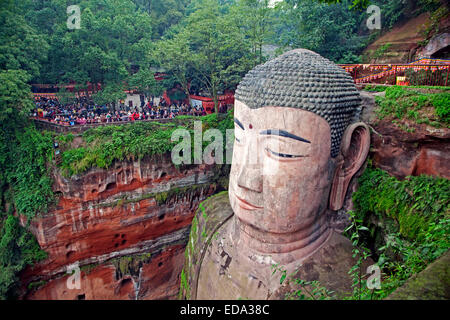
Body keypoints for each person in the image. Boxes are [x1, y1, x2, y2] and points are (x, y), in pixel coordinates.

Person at [181, 49, 371, 300]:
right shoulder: (209, 221)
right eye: (238, 139)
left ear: (348, 159)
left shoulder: (352, 280)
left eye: (280, 151)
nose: (244, 180)